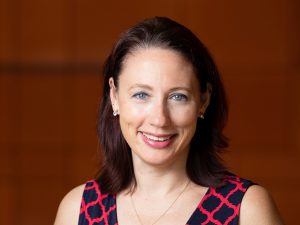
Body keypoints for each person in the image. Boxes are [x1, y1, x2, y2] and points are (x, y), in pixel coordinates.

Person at [54, 17, 283, 225]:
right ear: (114, 96)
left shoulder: (246, 209)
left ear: (203, 100)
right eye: (141, 95)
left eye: (177, 97)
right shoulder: (78, 210)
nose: (159, 119)